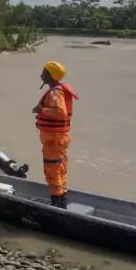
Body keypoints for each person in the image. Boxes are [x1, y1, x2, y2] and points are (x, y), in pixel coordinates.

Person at [33, 61, 78, 208]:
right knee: (60, 168)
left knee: (52, 170)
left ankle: (57, 204)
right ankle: (62, 200)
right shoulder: (58, 90)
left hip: (54, 139)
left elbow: (60, 112)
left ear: (50, 76)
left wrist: (41, 110)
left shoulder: (55, 93)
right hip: (59, 138)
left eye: (44, 72)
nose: (41, 74)